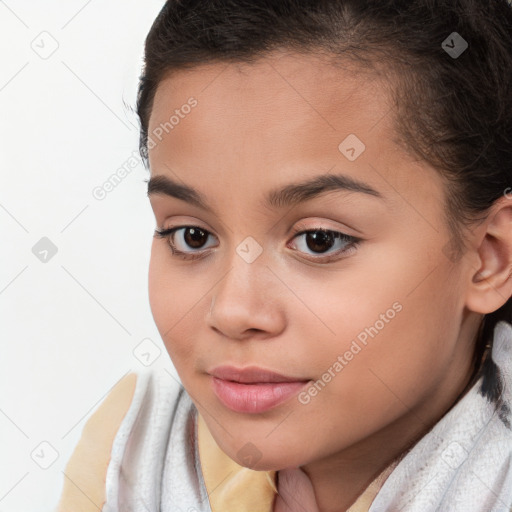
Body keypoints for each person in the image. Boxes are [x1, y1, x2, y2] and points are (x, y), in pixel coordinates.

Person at [56, 1, 512, 511]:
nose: (232, 311)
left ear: (490, 257)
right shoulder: (132, 456)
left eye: (320, 240)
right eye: (191, 236)